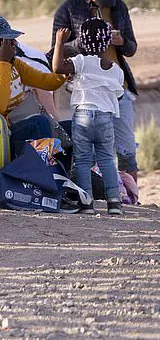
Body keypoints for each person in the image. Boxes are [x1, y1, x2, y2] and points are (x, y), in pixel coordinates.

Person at [51, 0, 140, 180]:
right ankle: (93, 195)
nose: (105, 2)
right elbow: (54, 51)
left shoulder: (119, 7)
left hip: (118, 87)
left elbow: (132, 48)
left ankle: (132, 199)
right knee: (87, 153)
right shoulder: (69, 9)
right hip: (86, 92)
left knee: (126, 149)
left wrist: (122, 42)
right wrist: (89, 41)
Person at [52, 20, 125, 215]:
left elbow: (57, 67)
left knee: (83, 160)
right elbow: (118, 95)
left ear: (82, 42)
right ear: (108, 41)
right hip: (105, 118)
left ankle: (87, 204)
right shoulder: (117, 70)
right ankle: (114, 203)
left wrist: (60, 42)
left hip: (83, 116)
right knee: (107, 160)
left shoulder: (81, 62)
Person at [0, 15, 64, 153]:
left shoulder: (13, 64)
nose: (14, 45)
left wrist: (65, 72)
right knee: (39, 123)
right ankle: (44, 167)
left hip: (6, 130)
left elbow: (47, 82)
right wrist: (3, 62)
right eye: (8, 42)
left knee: (68, 126)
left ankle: (57, 168)